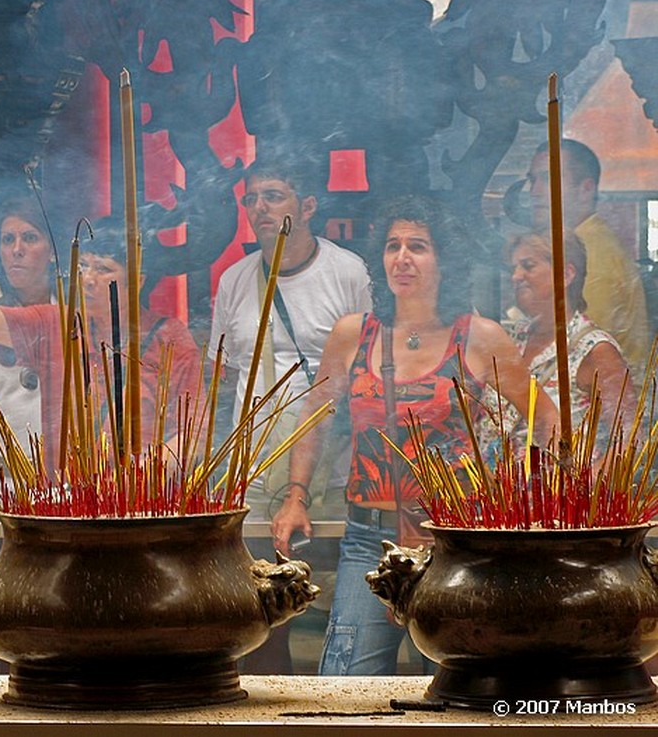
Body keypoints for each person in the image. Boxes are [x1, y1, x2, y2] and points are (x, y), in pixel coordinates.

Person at [271, 195, 558, 676]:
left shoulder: (479, 336)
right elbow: (316, 416)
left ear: (444, 260)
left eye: (418, 247)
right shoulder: (352, 334)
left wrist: (527, 489)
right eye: (393, 246)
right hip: (368, 538)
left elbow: (546, 416)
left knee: (453, 686)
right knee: (344, 685)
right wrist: (295, 496)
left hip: (452, 540)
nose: (402, 257)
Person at [0, 220, 201, 471]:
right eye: (83, 267)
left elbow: (194, 434)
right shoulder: (61, 323)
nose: (88, 279)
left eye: (104, 269)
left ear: (138, 280)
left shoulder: (170, 338)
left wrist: (141, 477)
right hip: (69, 495)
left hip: (142, 498)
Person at [210, 156, 371, 519]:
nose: (259, 207)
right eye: (250, 199)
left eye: (273, 195)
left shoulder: (348, 272)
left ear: (308, 206)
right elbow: (226, 374)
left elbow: (368, 371)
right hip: (250, 472)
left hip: (330, 471)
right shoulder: (233, 280)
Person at [478, 232, 635, 456]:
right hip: (495, 488)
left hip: (558, 489)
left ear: (566, 274)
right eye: (514, 268)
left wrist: (587, 488)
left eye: (528, 266)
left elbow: (628, 441)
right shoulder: (511, 340)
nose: (516, 276)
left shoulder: (594, 350)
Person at [524, 139, 650, 376]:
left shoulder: (593, 257)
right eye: (532, 180)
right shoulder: (575, 246)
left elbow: (579, 351)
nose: (534, 191)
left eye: (548, 178)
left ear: (586, 189)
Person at [0, 199, 56, 503]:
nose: (17, 249)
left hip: (61, 480)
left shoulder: (76, 315)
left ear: (53, 252)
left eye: (29, 238)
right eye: (8, 239)